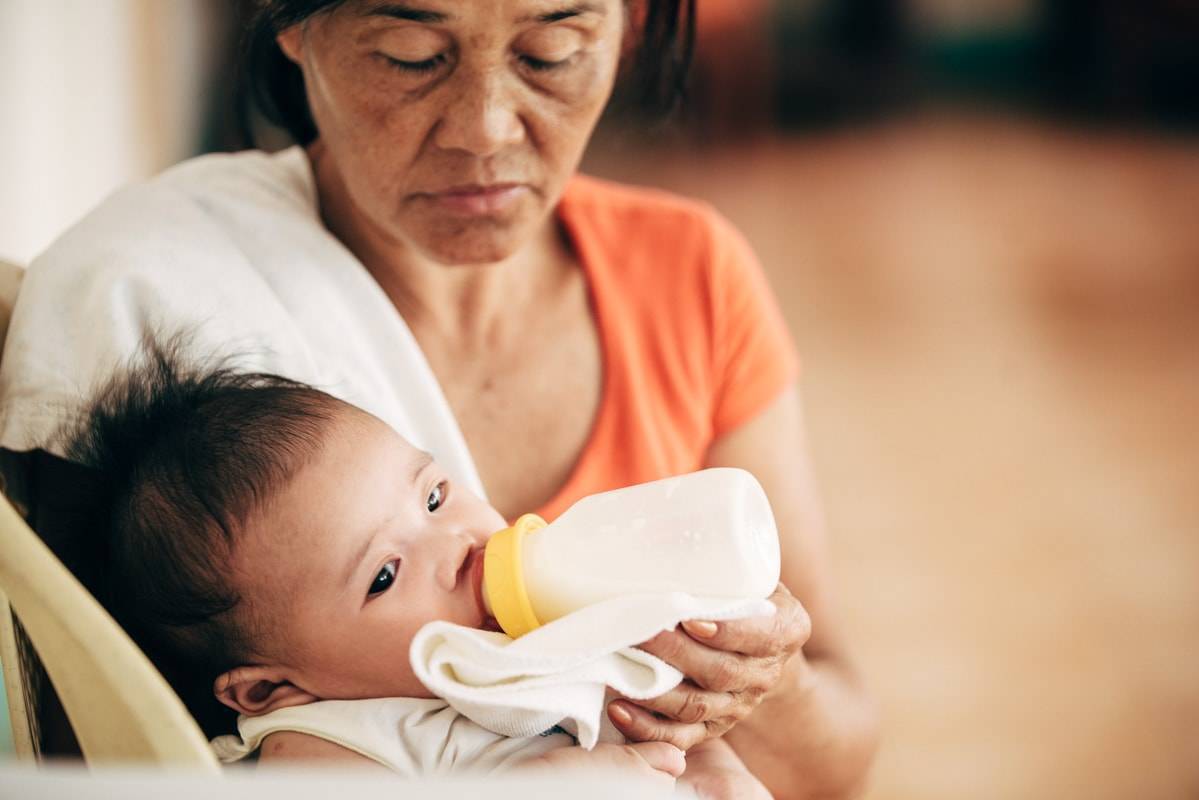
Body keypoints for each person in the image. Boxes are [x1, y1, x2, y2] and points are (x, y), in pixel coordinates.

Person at [0, 2, 877, 796]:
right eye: (412, 56)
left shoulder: (692, 277)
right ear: (293, 25)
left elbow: (836, 760)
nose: (486, 130)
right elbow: (107, 764)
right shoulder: (149, 303)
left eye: (552, 50)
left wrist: (756, 681)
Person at [61, 338, 770, 798]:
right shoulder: (323, 750)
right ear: (271, 688)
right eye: (383, 576)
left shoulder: (551, 628)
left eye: (433, 495)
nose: (455, 544)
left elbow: (669, 731)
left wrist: (719, 773)